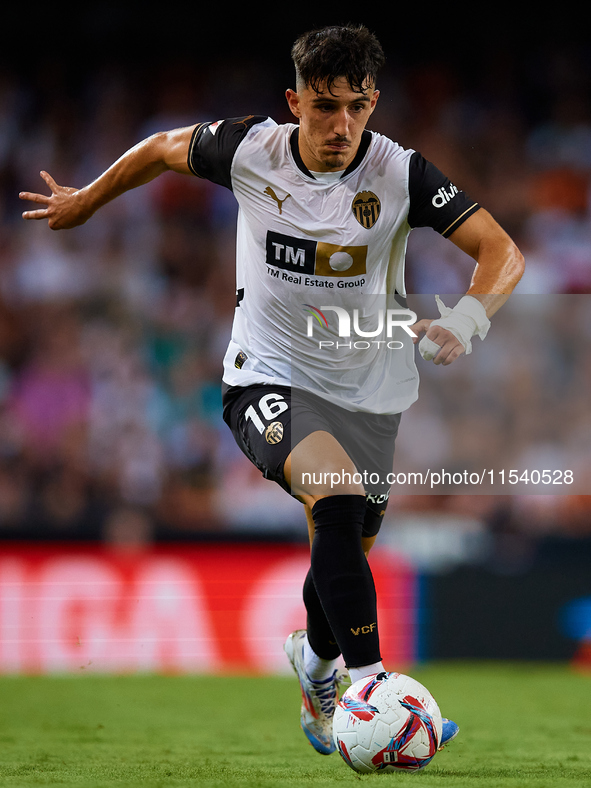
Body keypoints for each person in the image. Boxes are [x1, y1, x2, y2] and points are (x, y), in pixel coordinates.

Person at [20, 24, 524, 757]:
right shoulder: (249, 150)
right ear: (294, 102)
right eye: (323, 107)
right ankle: (374, 689)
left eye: (355, 106)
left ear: (373, 103)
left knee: (344, 543)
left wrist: (471, 317)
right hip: (265, 376)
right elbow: (162, 148)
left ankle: (315, 665)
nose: (340, 125)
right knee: (338, 498)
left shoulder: (400, 173)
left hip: (366, 395)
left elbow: (501, 251)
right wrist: (89, 201)